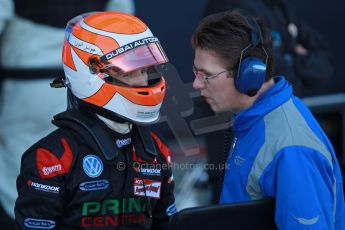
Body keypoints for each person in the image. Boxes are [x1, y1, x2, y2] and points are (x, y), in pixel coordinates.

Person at [14, 11, 176, 229]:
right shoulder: (52, 159)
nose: (145, 79)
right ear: (89, 73)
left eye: (147, 68)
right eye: (131, 71)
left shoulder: (156, 151)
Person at [191, 9, 345, 229]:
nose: (196, 85)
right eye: (196, 72)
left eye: (206, 75)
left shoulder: (292, 149)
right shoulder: (254, 119)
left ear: (248, 75)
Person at [0, 0, 135, 228]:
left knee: (24, 168)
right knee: (90, 159)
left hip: (30, 87)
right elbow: (124, 29)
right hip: (90, 85)